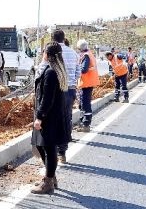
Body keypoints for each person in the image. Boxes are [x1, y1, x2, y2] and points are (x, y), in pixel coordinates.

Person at [31, 42, 71, 194]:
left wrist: (40, 117)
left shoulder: (50, 72)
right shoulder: (55, 70)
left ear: (47, 55)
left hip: (48, 117)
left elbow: (47, 99)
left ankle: (48, 183)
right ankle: (51, 177)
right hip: (52, 115)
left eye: (43, 52)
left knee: (48, 148)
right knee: (42, 146)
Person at [52, 30, 80, 164]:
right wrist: (72, 83)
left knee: (54, 119)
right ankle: (62, 152)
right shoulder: (73, 53)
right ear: (64, 39)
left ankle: (54, 150)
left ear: (53, 39)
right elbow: (78, 71)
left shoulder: (53, 52)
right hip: (70, 90)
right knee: (66, 118)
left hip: (56, 90)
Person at [76, 39, 99, 132]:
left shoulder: (86, 56)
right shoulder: (89, 54)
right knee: (82, 104)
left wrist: (77, 69)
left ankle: (86, 124)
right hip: (88, 82)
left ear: (80, 48)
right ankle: (83, 123)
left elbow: (84, 69)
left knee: (85, 104)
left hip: (87, 83)